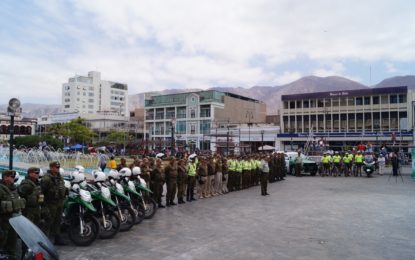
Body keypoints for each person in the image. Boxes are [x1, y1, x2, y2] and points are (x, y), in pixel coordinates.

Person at [0, 170, 26, 258]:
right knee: (2, 244)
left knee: (13, 245)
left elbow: (20, 202)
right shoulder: (1, 188)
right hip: (3, 222)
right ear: (5, 177)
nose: (13, 178)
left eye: (13, 177)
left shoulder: (14, 189)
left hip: (14, 221)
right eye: (11, 176)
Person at [41, 161, 67, 245]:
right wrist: (43, 205)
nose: (58, 169)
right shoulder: (46, 179)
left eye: (58, 167)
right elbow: (41, 192)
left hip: (59, 203)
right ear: (51, 168)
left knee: (58, 221)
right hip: (50, 203)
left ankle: (57, 239)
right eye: (56, 167)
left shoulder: (60, 177)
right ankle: (45, 241)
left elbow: (63, 188)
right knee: (48, 222)